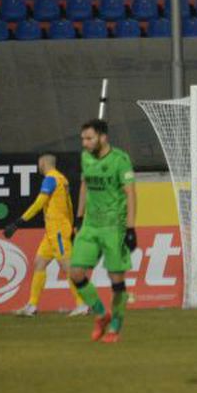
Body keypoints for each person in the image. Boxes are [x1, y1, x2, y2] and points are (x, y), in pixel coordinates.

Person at [69, 120, 136, 343]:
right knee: (76, 272)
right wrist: (78, 219)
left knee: (116, 279)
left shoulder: (120, 159)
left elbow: (130, 194)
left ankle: (116, 325)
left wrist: (130, 228)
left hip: (113, 226)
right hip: (90, 225)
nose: (85, 143)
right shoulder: (85, 157)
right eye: (83, 139)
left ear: (103, 137)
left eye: (89, 138)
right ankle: (100, 314)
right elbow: (84, 187)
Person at [4, 154, 87, 317]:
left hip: (57, 230)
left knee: (67, 267)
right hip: (54, 230)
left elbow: (39, 202)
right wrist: (72, 224)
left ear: (43, 163)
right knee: (39, 263)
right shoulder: (62, 179)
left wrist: (19, 222)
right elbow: (69, 204)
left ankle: (82, 304)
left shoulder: (50, 179)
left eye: (39, 163)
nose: (38, 166)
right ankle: (32, 306)